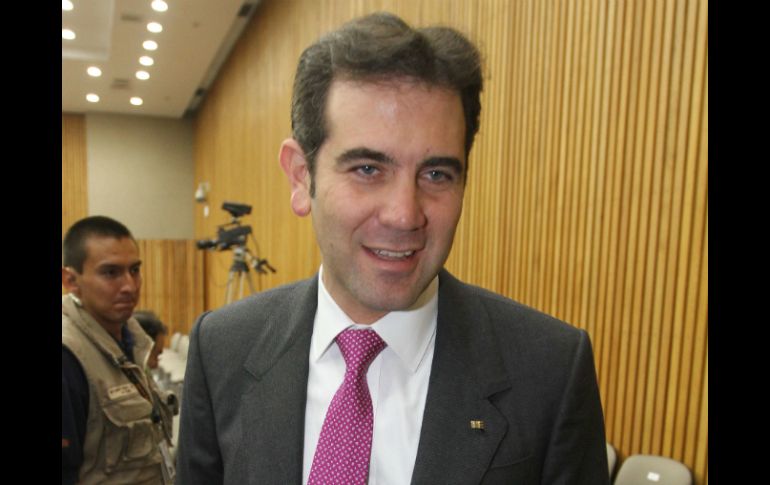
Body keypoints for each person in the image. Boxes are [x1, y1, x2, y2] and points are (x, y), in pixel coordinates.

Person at [176, 12, 609, 484]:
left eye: (436, 174)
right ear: (301, 177)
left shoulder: (549, 372)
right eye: (368, 169)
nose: (405, 215)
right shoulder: (222, 349)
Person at [61, 216, 176, 485]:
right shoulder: (68, 356)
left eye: (134, 270)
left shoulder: (132, 338)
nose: (129, 286)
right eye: (110, 273)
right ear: (71, 280)